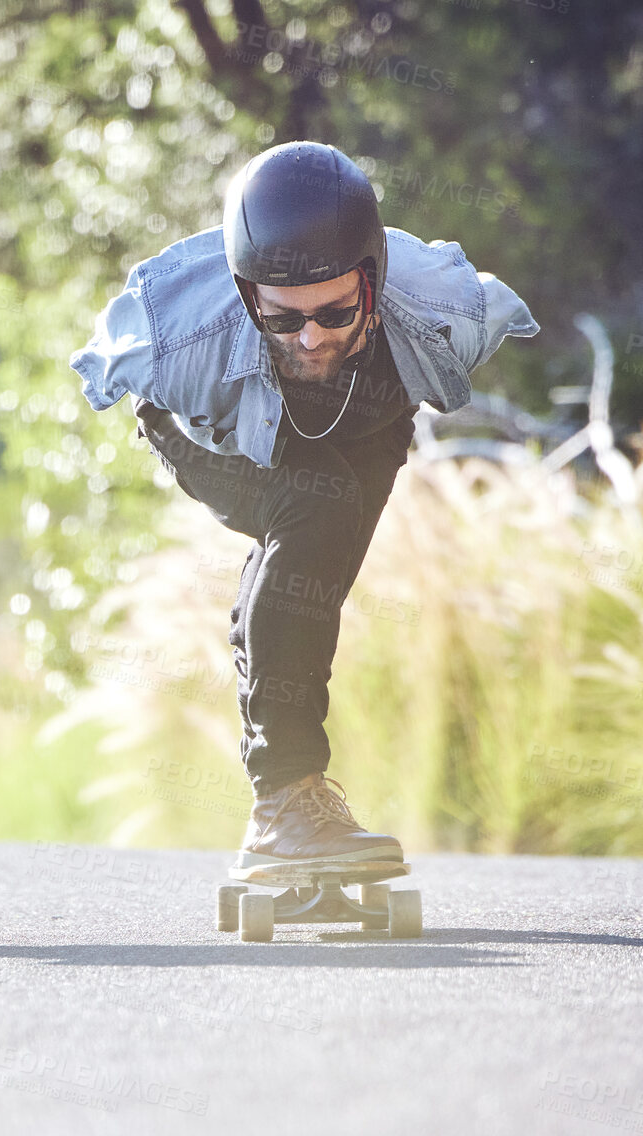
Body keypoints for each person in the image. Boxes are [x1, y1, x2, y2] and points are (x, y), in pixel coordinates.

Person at [70, 141, 538, 873]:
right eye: (283, 320)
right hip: (213, 432)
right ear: (248, 293)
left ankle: (285, 809)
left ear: (372, 283)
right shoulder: (181, 340)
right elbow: (100, 362)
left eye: (335, 311)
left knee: (314, 569)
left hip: (371, 409)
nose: (311, 336)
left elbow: (510, 316)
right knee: (315, 509)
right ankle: (287, 798)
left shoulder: (444, 308)